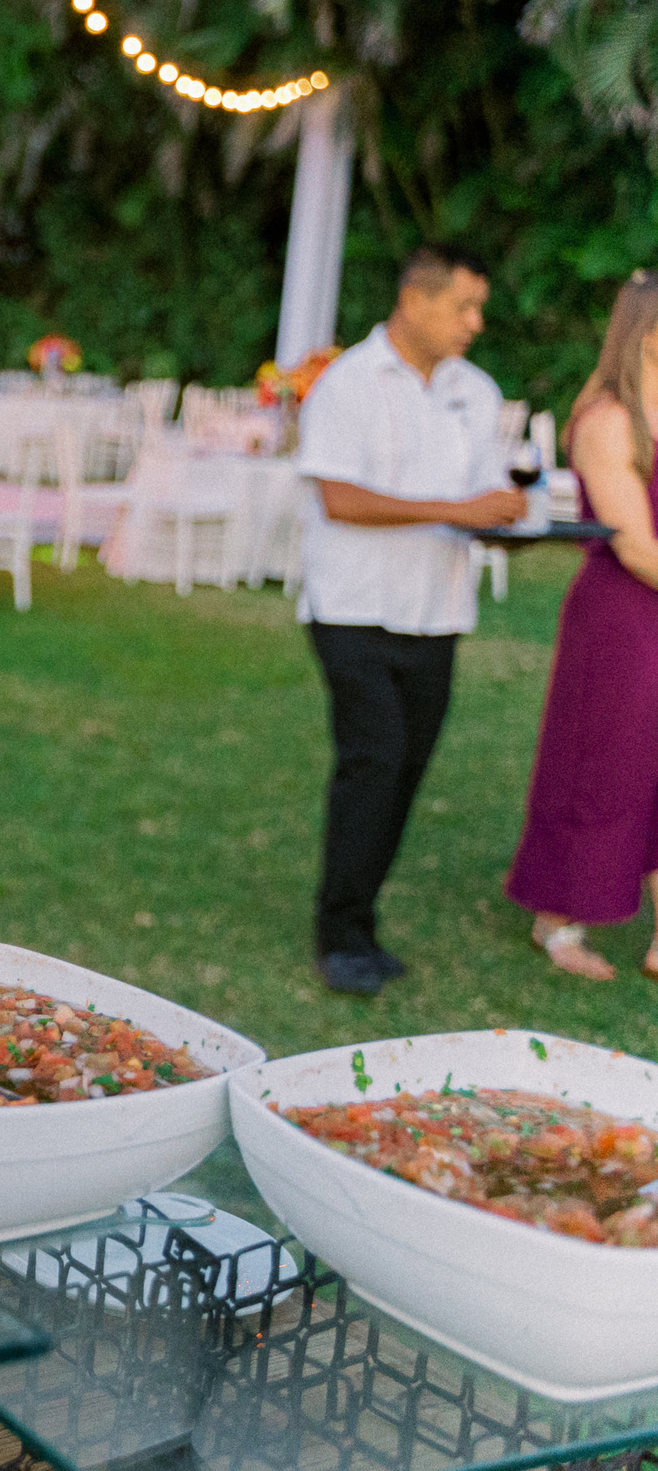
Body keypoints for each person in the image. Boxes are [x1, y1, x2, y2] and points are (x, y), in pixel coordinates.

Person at [293, 244, 525, 996]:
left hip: (439, 609)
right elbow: (340, 498)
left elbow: (485, 493)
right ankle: (340, 932)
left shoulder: (477, 392)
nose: (475, 323)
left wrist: (503, 517)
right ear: (414, 299)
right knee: (375, 758)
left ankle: (359, 920)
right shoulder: (347, 384)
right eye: (463, 306)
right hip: (354, 605)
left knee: (407, 769)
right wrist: (455, 511)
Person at [505, 272, 658, 980]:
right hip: (624, 616)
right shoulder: (607, 418)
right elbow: (634, 544)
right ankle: (557, 919)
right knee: (605, 763)